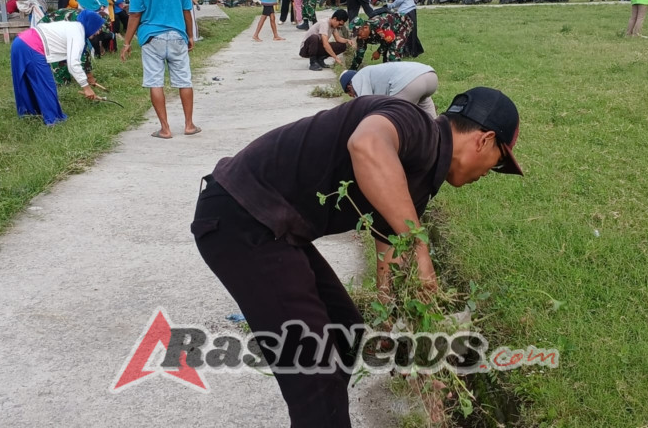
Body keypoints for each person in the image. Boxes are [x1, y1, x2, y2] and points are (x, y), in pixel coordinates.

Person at [191, 85, 523, 427]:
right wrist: (421, 248)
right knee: (317, 373)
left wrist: (396, 323)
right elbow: (366, 144)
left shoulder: (423, 177)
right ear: (484, 140)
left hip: (274, 227)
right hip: (241, 217)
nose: (487, 174)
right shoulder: (413, 124)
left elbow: (389, 240)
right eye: (498, 163)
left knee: (345, 332)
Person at [121, 0, 200, 139]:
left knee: (155, 82)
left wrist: (127, 42)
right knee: (184, 80)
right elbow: (186, 10)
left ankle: (165, 129)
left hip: (151, 38)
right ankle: (189, 125)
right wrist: (190, 35)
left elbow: (135, 15)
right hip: (177, 35)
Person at [10, 9, 103, 125]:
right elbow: (73, 63)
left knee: (27, 83)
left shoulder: (73, 26)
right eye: (98, 27)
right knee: (46, 85)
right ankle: (54, 120)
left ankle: (31, 114)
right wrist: (86, 87)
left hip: (20, 41)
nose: (98, 32)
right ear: (91, 24)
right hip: (31, 46)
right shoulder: (78, 32)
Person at [339, 62, 438, 118]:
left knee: (395, 120)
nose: (352, 96)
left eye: (350, 94)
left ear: (349, 87)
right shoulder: (372, 72)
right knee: (431, 121)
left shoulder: (357, 79)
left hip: (409, 82)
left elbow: (365, 105)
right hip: (430, 76)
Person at [348, 11, 413, 70]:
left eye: (359, 34)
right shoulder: (361, 36)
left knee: (392, 54)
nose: (359, 37)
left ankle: (399, 75)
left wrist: (379, 52)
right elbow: (359, 54)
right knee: (386, 60)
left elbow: (390, 40)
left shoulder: (379, 25)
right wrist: (351, 71)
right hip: (388, 32)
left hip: (401, 26)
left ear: (365, 27)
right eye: (356, 36)